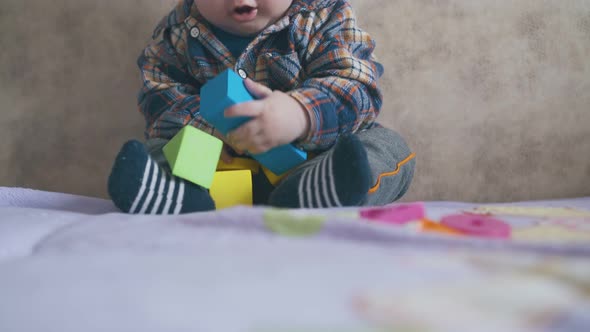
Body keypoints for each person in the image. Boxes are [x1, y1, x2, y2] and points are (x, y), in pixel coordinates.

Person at [107, 0, 415, 214]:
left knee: (387, 146)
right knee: (158, 148)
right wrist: (215, 132)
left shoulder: (325, 16)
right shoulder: (175, 35)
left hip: (310, 157)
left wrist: (299, 113)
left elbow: (356, 84)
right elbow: (160, 103)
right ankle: (177, 196)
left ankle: (315, 191)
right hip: (211, 166)